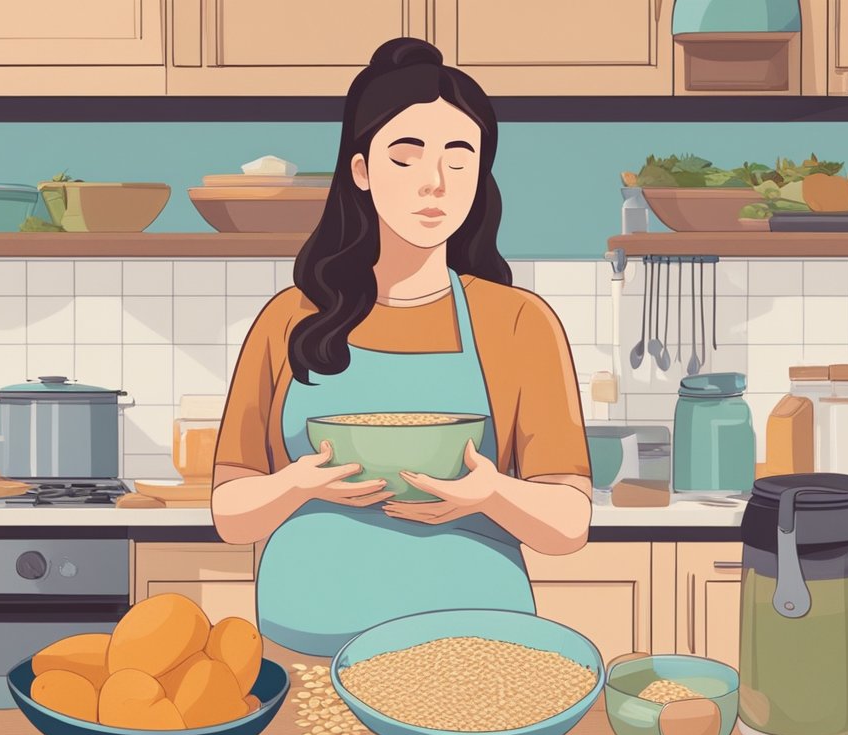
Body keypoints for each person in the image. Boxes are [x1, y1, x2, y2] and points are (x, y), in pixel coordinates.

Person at [211, 37, 592, 657]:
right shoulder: (291, 320)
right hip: (306, 640)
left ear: (480, 174)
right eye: (406, 157)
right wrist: (299, 486)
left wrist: (491, 493)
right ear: (361, 170)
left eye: (459, 157)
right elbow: (230, 512)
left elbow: (570, 523)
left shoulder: (518, 321)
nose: (435, 183)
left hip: (477, 642)